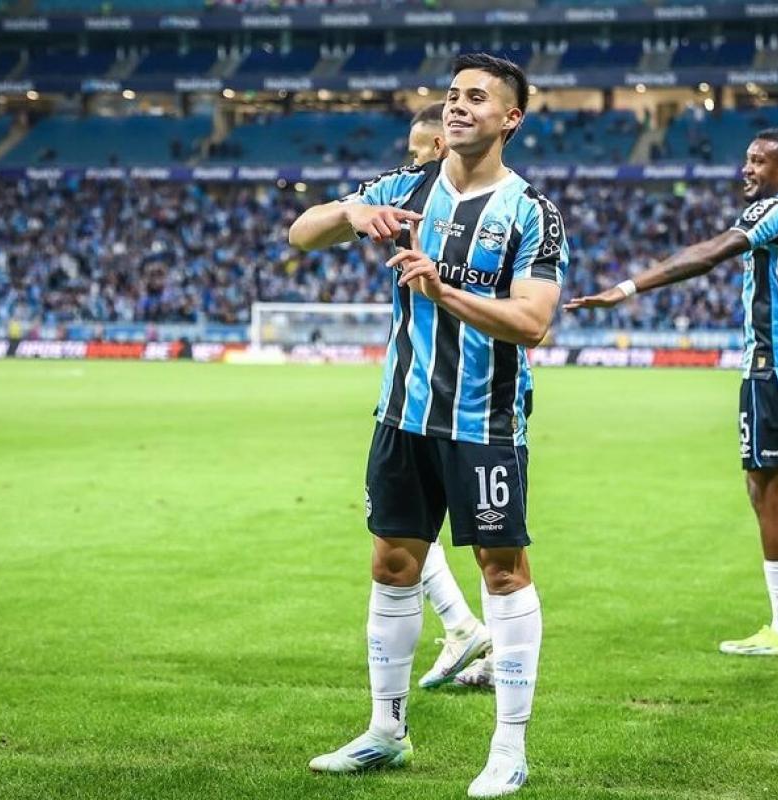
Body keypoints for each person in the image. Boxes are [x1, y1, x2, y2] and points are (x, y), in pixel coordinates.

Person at [289, 53, 568, 797]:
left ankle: (508, 749)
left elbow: (533, 322)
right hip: (403, 414)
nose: (457, 106)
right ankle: (386, 732)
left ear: (510, 118)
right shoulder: (406, 186)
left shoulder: (530, 212)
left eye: (476, 97)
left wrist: (444, 293)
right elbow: (300, 233)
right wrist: (350, 213)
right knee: (392, 565)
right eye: (451, 95)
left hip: (484, 420)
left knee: (501, 571)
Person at [566, 127, 778, 656]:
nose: (747, 169)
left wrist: (626, 289)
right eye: (747, 159)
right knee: (769, 487)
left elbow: (712, 252)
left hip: (773, 368)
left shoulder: (777, 210)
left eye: (759, 161)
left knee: (767, 491)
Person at [404, 100, 496, 692]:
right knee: (404, 529)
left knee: (493, 544)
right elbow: (307, 229)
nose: (409, 164)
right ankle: (466, 631)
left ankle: (469, 633)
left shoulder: (506, 208)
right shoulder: (413, 202)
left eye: (417, 153)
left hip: (480, 401)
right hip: (417, 397)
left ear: (441, 147)